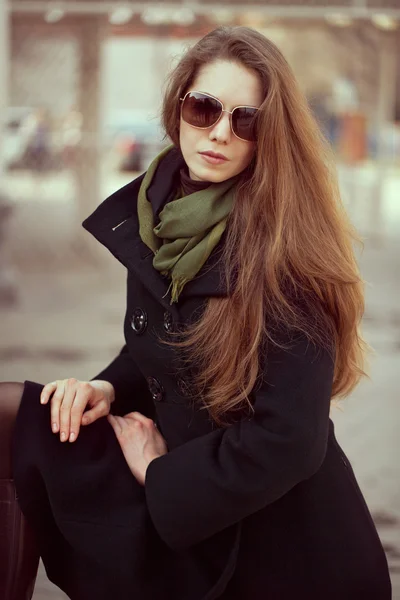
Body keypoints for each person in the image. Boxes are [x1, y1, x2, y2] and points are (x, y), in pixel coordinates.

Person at [0, 26, 391, 600]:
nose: (220, 133)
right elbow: (165, 343)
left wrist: (159, 474)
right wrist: (106, 389)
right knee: (19, 419)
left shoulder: (287, 252)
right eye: (204, 108)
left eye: (246, 120)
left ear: (269, 135)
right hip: (186, 491)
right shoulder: (159, 213)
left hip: (271, 545)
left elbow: (290, 438)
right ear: (178, 105)